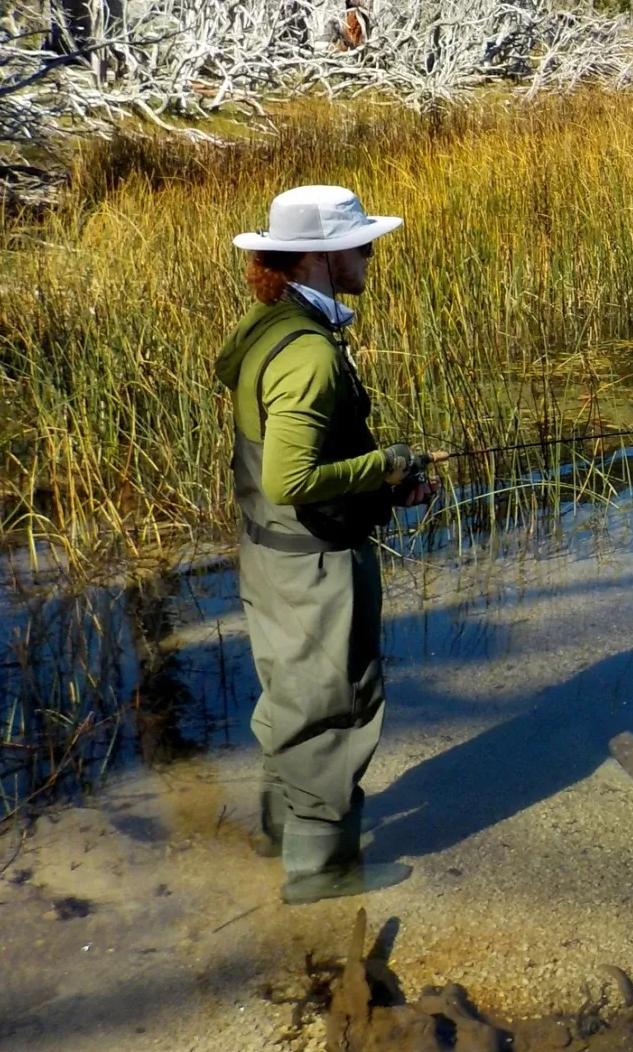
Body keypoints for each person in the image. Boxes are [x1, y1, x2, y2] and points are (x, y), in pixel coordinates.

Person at [214, 184, 440, 904]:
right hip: (312, 564)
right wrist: (389, 464)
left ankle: (280, 833)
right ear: (319, 255)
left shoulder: (267, 325)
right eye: (362, 243)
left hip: (271, 554)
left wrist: (379, 489)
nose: (372, 254)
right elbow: (291, 476)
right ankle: (322, 875)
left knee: (292, 694)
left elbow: (274, 438)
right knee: (334, 703)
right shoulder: (309, 353)